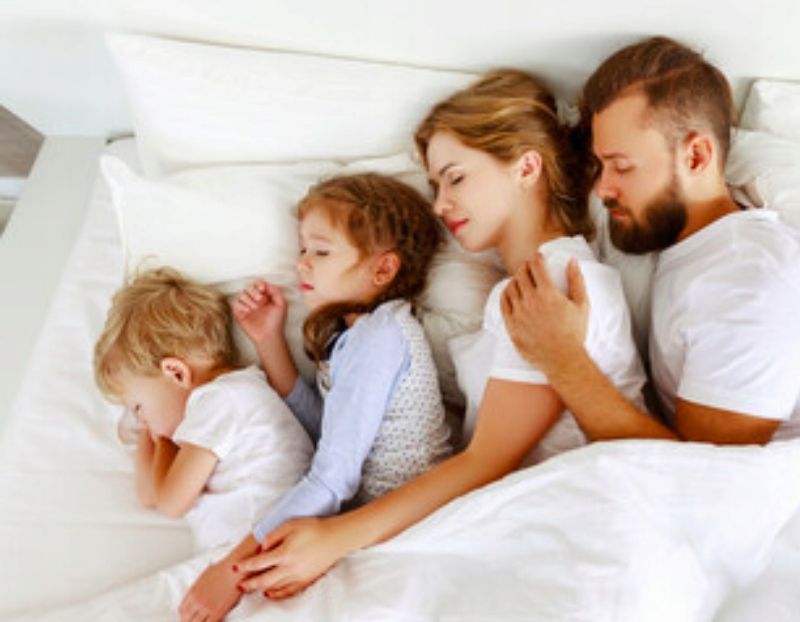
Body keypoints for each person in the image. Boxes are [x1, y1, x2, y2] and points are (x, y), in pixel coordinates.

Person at [177, 69, 649, 618]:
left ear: (526, 168)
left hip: (573, 525)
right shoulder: (527, 284)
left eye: (455, 178)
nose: (441, 204)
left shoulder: (553, 283)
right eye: (434, 187)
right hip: (531, 518)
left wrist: (334, 539)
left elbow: (486, 460)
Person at [501, 36, 800, 446]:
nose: (602, 189)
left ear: (696, 157)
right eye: (601, 166)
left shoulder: (751, 285)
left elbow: (706, 473)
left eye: (622, 166)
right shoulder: (699, 248)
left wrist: (561, 358)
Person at [180, 173, 453, 619]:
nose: (302, 264)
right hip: (377, 522)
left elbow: (332, 478)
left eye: (321, 252)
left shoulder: (381, 337)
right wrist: (269, 340)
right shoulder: (353, 338)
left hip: (412, 524)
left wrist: (231, 569)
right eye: (302, 250)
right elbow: (329, 434)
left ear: (383, 269)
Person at [93, 267, 313, 552]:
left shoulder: (221, 400)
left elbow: (171, 502)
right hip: (256, 547)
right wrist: (155, 432)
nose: (141, 421)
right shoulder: (231, 397)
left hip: (264, 547)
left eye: (139, 407)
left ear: (176, 372)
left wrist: (162, 439)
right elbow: (148, 495)